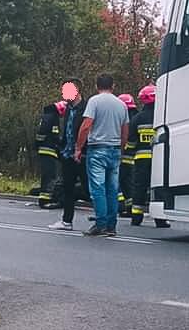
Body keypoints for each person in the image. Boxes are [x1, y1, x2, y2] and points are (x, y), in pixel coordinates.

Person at [74, 75, 129, 237]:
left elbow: (86, 126)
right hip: (114, 149)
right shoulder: (122, 105)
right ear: (113, 85)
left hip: (97, 150)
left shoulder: (94, 101)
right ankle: (111, 226)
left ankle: (100, 224)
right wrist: (121, 147)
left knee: (98, 189)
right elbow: (125, 129)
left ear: (97, 86)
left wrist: (78, 147)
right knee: (112, 189)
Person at [48, 79, 88, 231]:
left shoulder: (85, 108)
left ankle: (101, 218)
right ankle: (67, 221)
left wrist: (81, 149)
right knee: (68, 188)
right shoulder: (68, 109)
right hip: (67, 153)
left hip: (82, 154)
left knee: (88, 187)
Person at [130, 84, 169, 228]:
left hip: (141, 160)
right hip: (160, 159)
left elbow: (131, 142)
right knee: (158, 187)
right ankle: (160, 219)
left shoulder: (137, 118)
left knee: (139, 187)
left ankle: (136, 216)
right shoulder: (164, 116)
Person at [34, 100, 66, 208]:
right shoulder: (51, 117)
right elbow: (44, 132)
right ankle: (44, 201)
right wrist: (39, 143)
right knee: (49, 176)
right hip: (48, 150)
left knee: (50, 175)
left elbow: (53, 135)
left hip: (49, 150)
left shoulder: (50, 116)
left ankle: (46, 198)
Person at [117, 93, 138, 218]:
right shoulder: (137, 117)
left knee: (118, 182)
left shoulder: (122, 118)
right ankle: (130, 207)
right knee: (129, 184)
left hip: (122, 156)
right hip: (135, 158)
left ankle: (120, 206)